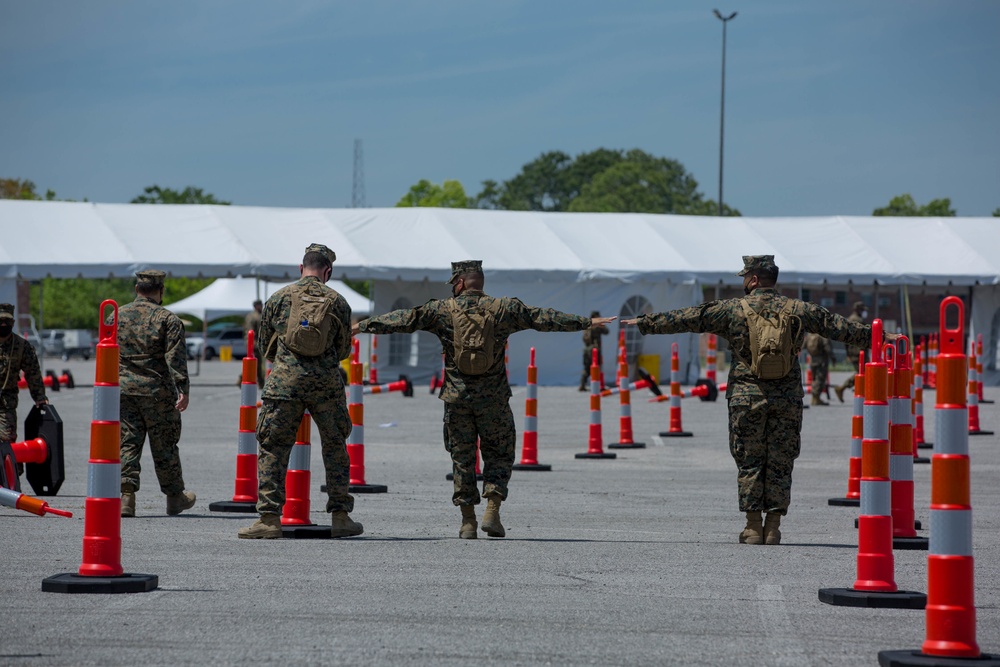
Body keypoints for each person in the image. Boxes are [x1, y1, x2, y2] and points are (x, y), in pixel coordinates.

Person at [623, 256, 877, 546]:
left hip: (746, 396)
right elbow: (839, 327)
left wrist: (645, 323)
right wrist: (880, 337)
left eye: (745, 277)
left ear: (754, 280)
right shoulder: (799, 309)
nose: (743, 282)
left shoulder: (732, 309)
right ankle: (773, 527)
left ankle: (753, 527)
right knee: (781, 460)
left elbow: (690, 317)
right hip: (787, 397)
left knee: (750, 460)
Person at [355, 260, 616, 539]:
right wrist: (586, 322)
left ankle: (468, 521)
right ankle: (493, 510)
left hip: (457, 398)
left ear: (459, 283)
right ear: (479, 282)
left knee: (462, 458)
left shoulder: (441, 310)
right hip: (494, 399)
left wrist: (363, 326)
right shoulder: (504, 309)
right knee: (499, 454)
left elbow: (403, 319)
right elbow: (543, 318)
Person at [239, 243, 362, 539]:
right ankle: (341, 517)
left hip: (285, 383)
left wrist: (286, 362)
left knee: (274, 447)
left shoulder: (279, 298)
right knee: (335, 446)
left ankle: (269, 519)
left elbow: (264, 345)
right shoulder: (338, 301)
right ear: (327, 271)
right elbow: (344, 350)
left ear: (301, 268)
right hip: (326, 386)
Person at [117, 270, 197, 518]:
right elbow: (176, 359)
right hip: (157, 392)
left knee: (128, 442)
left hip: (124, 390)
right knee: (165, 446)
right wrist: (183, 390)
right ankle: (175, 498)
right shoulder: (168, 319)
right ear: (160, 290)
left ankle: (126, 497)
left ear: (136, 288)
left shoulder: (115, 316)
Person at [0, 303, 48, 450]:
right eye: (0, 320)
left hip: (5, 404)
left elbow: (33, 373)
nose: (3, 324)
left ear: (13, 323)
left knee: (7, 442)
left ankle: (11, 471)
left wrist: (39, 397)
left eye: (6, 321)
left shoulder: (21, 346)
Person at [835, 301, 867, 403]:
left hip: (853, 351)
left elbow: (845, 339)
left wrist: (848, 353)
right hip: (859, 351)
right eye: (862, 310)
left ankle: (855, 389)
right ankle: (842, 388)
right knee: (862, 373)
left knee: (862, 372)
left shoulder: (849, 319)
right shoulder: (858, 320)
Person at [579, 310, 608, 391]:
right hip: (595, 350)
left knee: (587, 369)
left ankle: (582, 385)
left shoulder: (587, 324)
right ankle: (598, 386)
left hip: (586, 350)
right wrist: (601, 323)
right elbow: (607, 331)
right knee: (597, 368)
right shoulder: (597, 325)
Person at [804, 332, 832, 406]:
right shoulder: (822, 334)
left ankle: (814, 398)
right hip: (822, 360)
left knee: (814, 379)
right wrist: (832, 357)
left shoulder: (809, 335)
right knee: (820, 379)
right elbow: (827, 347)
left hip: (812, 360)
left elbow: (803, 345)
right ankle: (816, 398)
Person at [244, 299, 266, 388]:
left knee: (256, 365)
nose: (261, 306)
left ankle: (261, 382)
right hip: (254, 343)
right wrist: (252, 344)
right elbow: (250, 331)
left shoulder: (261, 315)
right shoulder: (252, 316)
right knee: (257, 365)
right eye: (259, 305)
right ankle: (261, 383)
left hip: (260, 343)